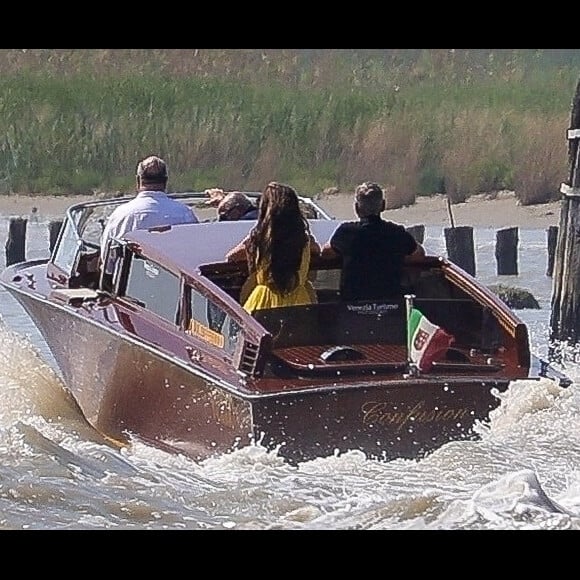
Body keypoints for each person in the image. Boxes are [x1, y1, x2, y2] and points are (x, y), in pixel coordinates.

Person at [321, 181, 425, 301]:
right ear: (383, 206)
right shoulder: (396, 233)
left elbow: (326, 253)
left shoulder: (346, 233)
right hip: (390, 305)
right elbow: (419, 253)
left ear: (356, 207)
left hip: (354, 306)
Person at [225, 181, 320, 313]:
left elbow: (231, 257)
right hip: (299, 300)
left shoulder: (259, 237)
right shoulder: (303, 238)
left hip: (264, 300)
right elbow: (317, 251)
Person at [100, 155, 199, 261]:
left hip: (132, 277)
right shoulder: (185, 214)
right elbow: (197, 253)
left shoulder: (120, 215)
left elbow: (107, 261)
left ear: (138, 181)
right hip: (175, 277)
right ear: (165, 182)